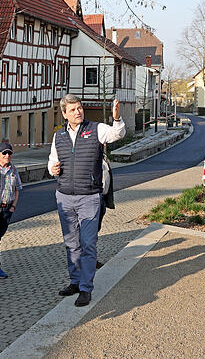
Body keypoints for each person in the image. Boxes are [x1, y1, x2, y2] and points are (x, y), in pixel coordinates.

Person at [48, 95, 125, 307]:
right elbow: (52, 161)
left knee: (88, 244)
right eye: (72, 110)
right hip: (64, 196)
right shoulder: (59, 136)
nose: (78, 112)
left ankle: (85, 288)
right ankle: (74, 281)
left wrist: (116, 118)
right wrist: (52, 169)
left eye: (79, 108)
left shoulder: (96, 129)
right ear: (64, 114)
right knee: (71, 244)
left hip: (89, 197)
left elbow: (118, 133)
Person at [0, 141, 22, 279]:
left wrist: (13, 206)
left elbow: (17, 189)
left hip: (6, 210)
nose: (7, 155)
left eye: (10, 153)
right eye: (4, 153)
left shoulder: (13, 170)